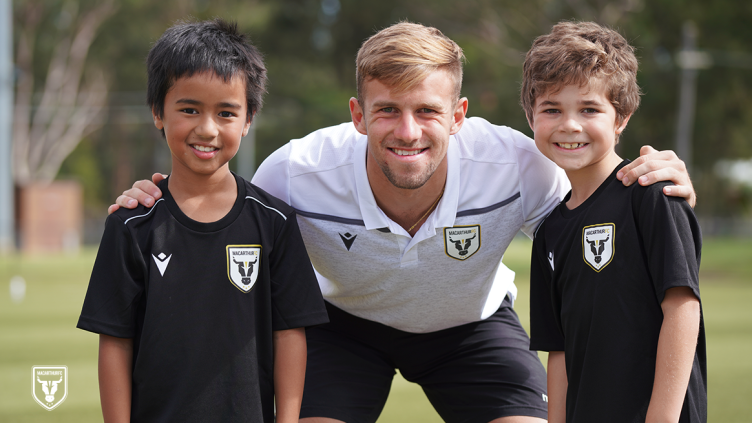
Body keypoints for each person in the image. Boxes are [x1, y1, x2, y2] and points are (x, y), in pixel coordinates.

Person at [112, 22, 697, 423]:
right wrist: (158, 201)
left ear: (459, 115)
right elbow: (220, 222)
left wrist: (660, 176)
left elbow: (593, 218)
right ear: (358, 116)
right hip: (345, 330)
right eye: (387, 109)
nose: (408, 131)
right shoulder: (294, 172)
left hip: (474, 329)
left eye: (427, 111)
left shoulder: (521, 165)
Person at [77, 19, 328, 423]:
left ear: (248, 120)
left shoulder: (276, 222)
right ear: (158, 112)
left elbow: (290, 335)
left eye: (226, 112)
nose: (207, 129)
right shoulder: (130, 226)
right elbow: (115, 342)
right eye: (189, 109)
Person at [523, 22, 706, 422]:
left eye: (589, 109)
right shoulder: (549, 232)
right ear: (530, 117)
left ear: (621, 117)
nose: (570, 125)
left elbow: (682, 308)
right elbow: (559, 350)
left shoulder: (653, 193)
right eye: (552, 109)